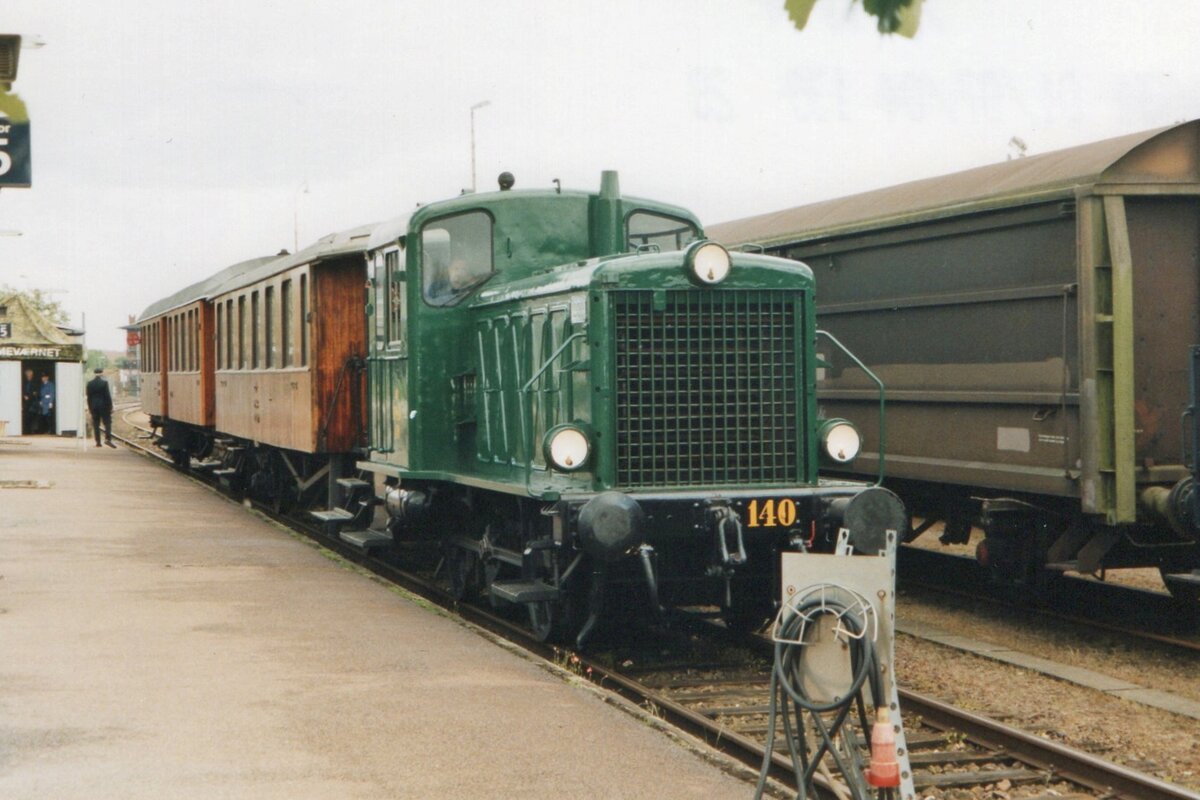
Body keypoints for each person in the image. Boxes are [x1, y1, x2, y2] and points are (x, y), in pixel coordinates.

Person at [86, 367, 116, 448]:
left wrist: (90, 408)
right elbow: (107, 396)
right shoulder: (104, 383)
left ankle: (98, 442)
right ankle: (107, 439)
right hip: (104, 406)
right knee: (107, 423)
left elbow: (89, 397)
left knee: (96, 424)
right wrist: (111, 406)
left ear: (94, 373)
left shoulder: (89, 383)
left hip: (94, 406)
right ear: (102, 373)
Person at [22, 368, 38, 434]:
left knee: (32, 416)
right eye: (27, 375)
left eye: (30, 375)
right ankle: (26, 430)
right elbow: (21, 390)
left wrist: (29, 396)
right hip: (25, 402)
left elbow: (35, 393)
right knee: (25, 416)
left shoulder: (35, 382)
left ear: (32, 375)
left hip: (32, 401)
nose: (28, 376)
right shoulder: (24, 382)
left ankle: (32, 430)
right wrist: (24, 395)